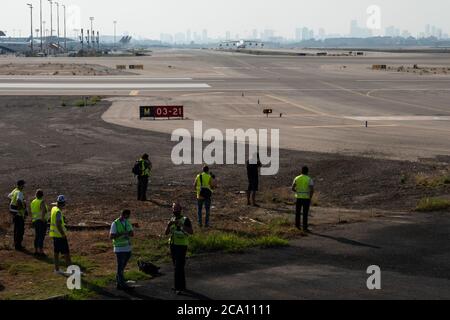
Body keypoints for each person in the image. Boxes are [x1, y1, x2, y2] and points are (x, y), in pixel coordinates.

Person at [165, 203, 193, 295]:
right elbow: (166, 233)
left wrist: (181, 225)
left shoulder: (185, 219)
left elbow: (191, 232)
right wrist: (169, 225)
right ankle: (182, 285)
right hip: (173, 245)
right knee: (177, 266)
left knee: (178, 266)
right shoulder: (172, 219)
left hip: (182, 245)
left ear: (180, 209)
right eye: (173, 209)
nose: (175, 211)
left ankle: (178, 287)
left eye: (176, 209)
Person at [109, 209, 134, 290]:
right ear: (124, 214)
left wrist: (128, 233)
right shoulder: (115, 223)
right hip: (119, 248)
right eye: (128, 215)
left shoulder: (127, 222)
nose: (128, 217)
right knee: (120, 267)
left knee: (122, 267)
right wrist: (122, 233)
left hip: (127, 247)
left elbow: (132, 234)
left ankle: (119, 283)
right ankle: (122, 284)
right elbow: (111, 236)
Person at [50, 195, 72, 274]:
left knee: (56, 253)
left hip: (54, 235)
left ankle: (57, 269)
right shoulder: (58, 211)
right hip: (60, 236)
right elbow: (58, 223)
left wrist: (63, 217)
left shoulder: (54, 209)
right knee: (66, 253)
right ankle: (70, 271)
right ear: (62, 203)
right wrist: (63, 234)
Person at [292, 166, 314, 232]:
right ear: (307, 171)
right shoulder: (309, 179)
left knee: (297, 213)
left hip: (298, 198)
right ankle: (305, 228)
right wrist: (310, 197)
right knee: (305, 213)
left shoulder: (297, 178)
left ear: (301, 171)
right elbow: (312, 190)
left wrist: (297, 192)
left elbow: (292, 188)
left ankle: (297, 226)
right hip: (306, 198)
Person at [8, 180, 27, 251]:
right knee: (20, 230)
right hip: (19, 214)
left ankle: (16, 244)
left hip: (14, 213)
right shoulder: (19, 192)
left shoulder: (14, 191)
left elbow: (9, 197)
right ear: (20, 185)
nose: (24, 186)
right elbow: (19, 200)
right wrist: (21, 208)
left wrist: (11, 207)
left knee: (16, 229)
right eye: (23, 185)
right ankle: (18, 246)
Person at [30, 189, 49, 257]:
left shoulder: (33, 202)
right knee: (41, 236)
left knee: (37, 236)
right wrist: (43, 219)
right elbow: (43, 210)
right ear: (42, 195)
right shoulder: (41, 201)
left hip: (35, 221)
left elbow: (32, 211)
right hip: (41, 221)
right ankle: (41, 251)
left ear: (36, 195)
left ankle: (36, 251)